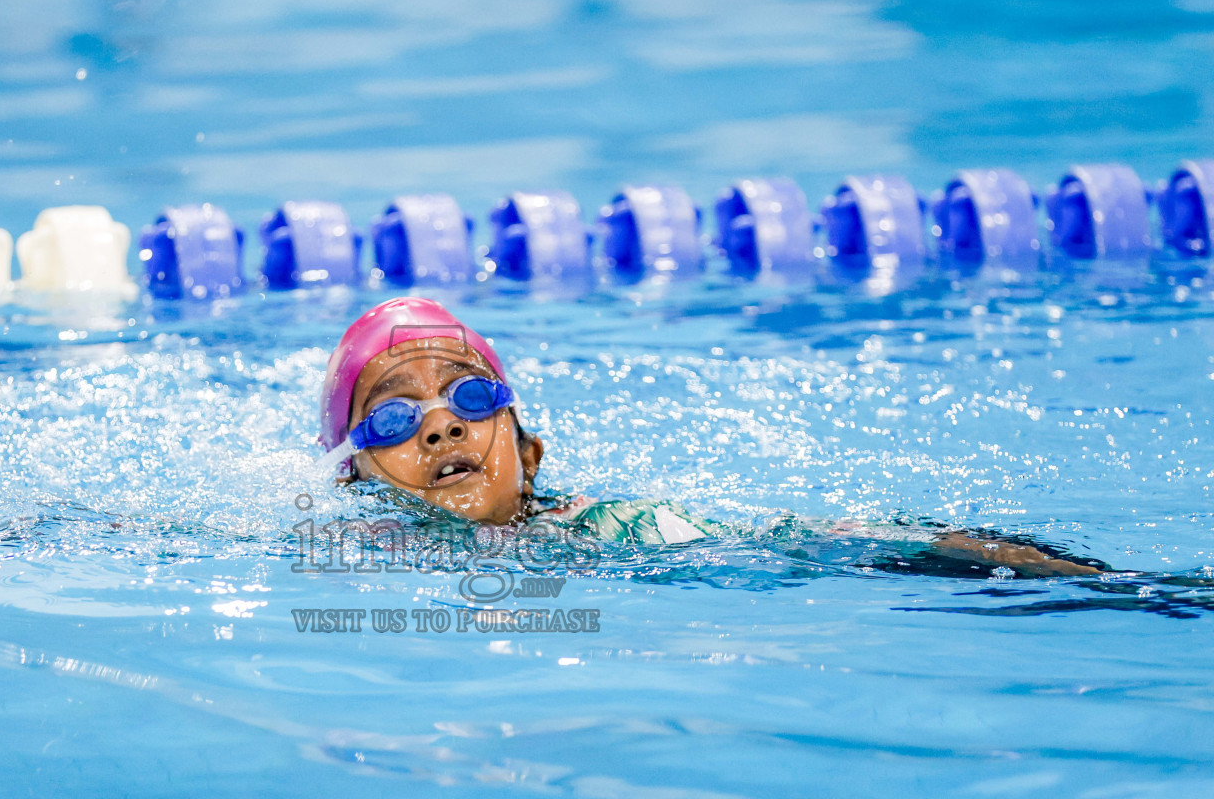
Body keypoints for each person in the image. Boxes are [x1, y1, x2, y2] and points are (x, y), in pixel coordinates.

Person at [317, 297, 1104, 578]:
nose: (442, 422)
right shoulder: (342, 558)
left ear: (529, 455)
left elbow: (814, 545)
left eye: (473, 395)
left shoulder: (610, 531)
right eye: (392, 416)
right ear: (356, 480)